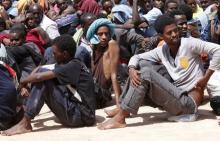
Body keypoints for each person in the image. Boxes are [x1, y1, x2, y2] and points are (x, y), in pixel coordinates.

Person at [97, 15, 220, 130]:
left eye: (175, 30)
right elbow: (137, 57)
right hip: (175, 96)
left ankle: (120, 117)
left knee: (146, 74)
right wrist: (132, 69)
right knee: (142, 66)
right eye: (169, 33)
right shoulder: (162, 50)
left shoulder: (189, 43)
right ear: (161, 36)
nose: (174, 34)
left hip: (188, 104)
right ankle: (123, 108)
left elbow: (218, 50)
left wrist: (206, 78)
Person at [1, 34, 96, 136]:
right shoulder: (69, 62)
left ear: (64, 54)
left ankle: (26, 122)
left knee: (44, 80)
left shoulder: (73, 66)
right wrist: (26, 86)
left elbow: (38, 77)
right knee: (43, 74)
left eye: (55, 53)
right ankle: (26, 113)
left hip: (82, 116)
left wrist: (23, 83)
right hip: (79, 111)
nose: (53, 56)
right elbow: (40, 69)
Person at [86, 18, 121, 109]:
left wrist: (118, 105)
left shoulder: (112, 44)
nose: (104, 37)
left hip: (101, 94)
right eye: (100, 34)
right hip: (92, 90)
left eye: (106, 34)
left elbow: (114, 75)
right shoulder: (95, 48)